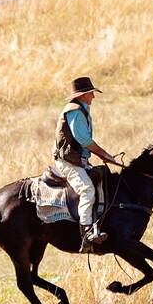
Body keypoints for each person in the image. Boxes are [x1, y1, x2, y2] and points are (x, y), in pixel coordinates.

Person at [52, 76, 120, 251]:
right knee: (87, 190)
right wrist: (104, 154)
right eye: (91, 93)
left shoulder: (81, 108)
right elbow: (83, 139)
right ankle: (87, 233)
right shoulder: (75, 110)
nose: (93, 97)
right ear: (83, 95)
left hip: (77, 160)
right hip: (67, 162)